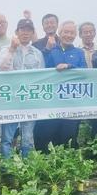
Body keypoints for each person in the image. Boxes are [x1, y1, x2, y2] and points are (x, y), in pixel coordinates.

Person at [36, 21, 87, 151]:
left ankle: (66, 166)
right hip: (51, 101)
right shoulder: (51, 50)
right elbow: (41, 70)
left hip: (71, 102)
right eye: (66, 32)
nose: (68, 35)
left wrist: (69, 67)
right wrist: (47, 50)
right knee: (47, 135)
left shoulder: (79, 52)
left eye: (72, 33)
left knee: (68, 136)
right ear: (60, 33)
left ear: (76, 35)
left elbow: (85, 71)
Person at [0, 19, 45, 159]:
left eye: (29, 30)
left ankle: (27, 169)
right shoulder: (6, 49)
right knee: (7, 137)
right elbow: (2, 67)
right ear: (17, 32)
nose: (25, 33)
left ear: (32, 33)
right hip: (11, 101)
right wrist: (12, 48)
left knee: (28, 138)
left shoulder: (37, 53)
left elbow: (42, 77)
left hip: (30, 101)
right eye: (22, 29)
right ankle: (7, 169)